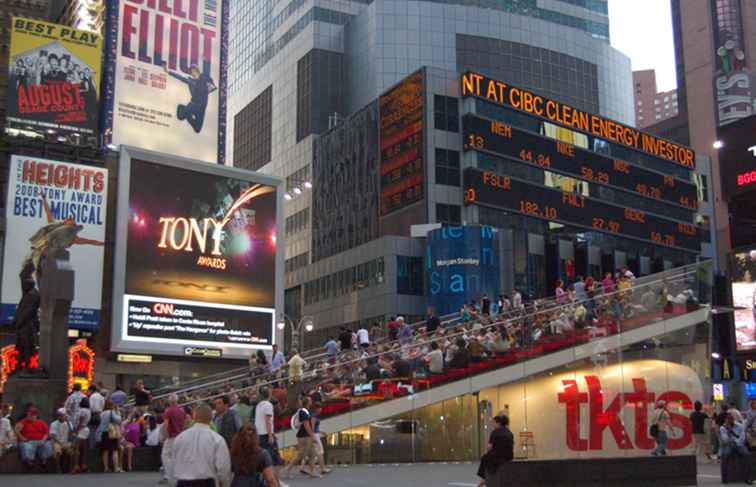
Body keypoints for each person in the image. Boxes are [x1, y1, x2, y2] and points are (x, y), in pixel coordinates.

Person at [171, 404, 232, 487]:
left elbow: (174, 461)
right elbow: (223, 467)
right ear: (211, 418)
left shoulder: (180, 437)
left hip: (183, 481)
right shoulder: (217, 439)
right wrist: (224, 483)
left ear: (194, 416)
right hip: (206, 482)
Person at [163, 63, 217, 133]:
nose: (192, 73)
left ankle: (185, 111)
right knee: (180, 116)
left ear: (197, 71)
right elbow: (180, 77)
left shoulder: (204, 78)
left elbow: (212, 86)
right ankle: (183, 109)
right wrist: (168, 72)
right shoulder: (190, 81)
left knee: (197, 130)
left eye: (193, 71)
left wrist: (208, 87)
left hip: (202, 107)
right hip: (193, 104)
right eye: (191, 72)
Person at [254, 387, 287, 487]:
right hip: (266, 435)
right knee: (274, 461)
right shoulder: (268, 405)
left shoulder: (258, 405)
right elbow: (268, 421)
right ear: (269, 395)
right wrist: (270, 436)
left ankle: (273, 482)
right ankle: (276, 482)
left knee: (265, 461)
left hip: (259, 435)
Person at [282, 397, 318, 479]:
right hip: (304, 436)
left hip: (305, 435)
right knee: (300, 455)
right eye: (310, 400)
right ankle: (287, 469)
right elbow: (306, 425)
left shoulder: (305, 411)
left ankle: (312, 472)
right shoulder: (303, 412)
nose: (312, 401)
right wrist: (313, 436)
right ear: (308, 403)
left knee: (312, 454)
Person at [476, 415, 514, 487]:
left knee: (485, 458)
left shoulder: (495, 432)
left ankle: (484, 479)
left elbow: (489, 447)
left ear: (498, 423)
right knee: (488, 457)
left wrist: (488, 451)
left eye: (494, 423)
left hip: (497, 457)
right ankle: (484, 479)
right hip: (508, 457)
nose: (493, 425)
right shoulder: (509, 432)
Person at [15, 406, 53, 471]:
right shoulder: (23, 422)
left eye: (33, 415)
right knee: (26, 446)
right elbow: (16, 430)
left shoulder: (41, 422)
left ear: (36, 415)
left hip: (40, 440)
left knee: (47, 444)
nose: (31, 416)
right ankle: (29, 463)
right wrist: (22, 438)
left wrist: (43, 440)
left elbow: (46, 433)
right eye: (30, 414)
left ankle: (44, 462)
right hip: (28, 441)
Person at [719, 413, 753, 485]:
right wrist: (728, 432)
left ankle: (748, 477)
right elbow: (725, 440)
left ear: (733, 419)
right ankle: (724, 478)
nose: (729, 421)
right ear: (726, 420)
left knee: (747, 455)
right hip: (729, 445)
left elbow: (742, 438)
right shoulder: (723, 428)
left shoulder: (740, 426)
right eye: (727, 420)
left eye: (731, 419)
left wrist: (734, 441)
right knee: (724, 455)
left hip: (739, 445)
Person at [97, 399, 123, 473]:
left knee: (105, 451)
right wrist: (117, 411)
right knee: (115, 451)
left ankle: (106, 468)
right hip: (112, 432)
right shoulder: (112, 412)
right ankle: (116, 467)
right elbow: (119, 420)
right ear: (111, 405)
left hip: (104, 433)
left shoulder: (102, 413)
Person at [49, 408, 74, 473]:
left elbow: (72, 434)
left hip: (66, 442)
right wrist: (60, 443)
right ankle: (58, 468)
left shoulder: (69, 423)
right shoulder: (53, 424)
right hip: (57, 442)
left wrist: (68, 422)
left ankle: (70, 468)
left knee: (72, 450)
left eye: (62, 415)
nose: (60, 416)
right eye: (59, 415)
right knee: (57, 450)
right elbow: (52, 436)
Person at [72, 397, 91, 473]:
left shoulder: (82, 410)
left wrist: (76, 430)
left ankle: (76, 466)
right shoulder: (88, 410)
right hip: (86, 429)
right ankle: (83, 465)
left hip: (81, 429)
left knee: (76, 449)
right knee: (83, 449)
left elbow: (81, 420)